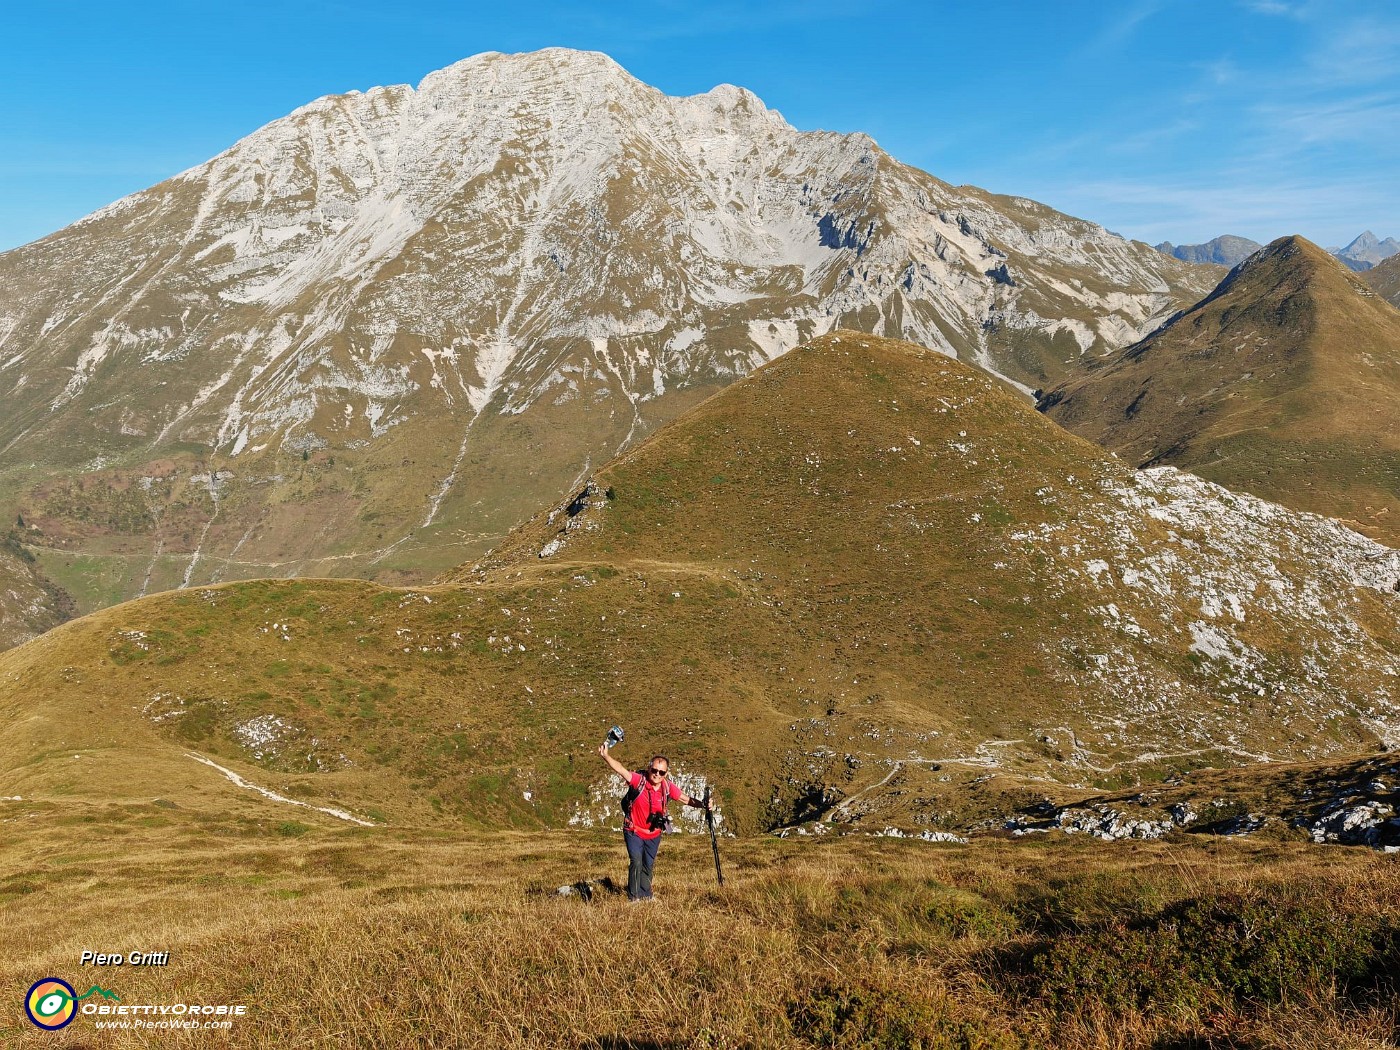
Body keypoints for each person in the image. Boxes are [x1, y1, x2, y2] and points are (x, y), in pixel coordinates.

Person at [598, 744, 712, 902]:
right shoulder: (639, 781)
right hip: (634, 830)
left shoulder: (667, 787)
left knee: (648, 864)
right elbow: (621, 770)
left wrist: (703, 805)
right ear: (648, 768)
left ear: (666, 773)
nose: (657, 774)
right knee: (636, 861)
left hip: (654, 833)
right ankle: (633, 897)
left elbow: (685, 799)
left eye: (661, 772)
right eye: (654, 770)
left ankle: (646, 895)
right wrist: (606, 756)